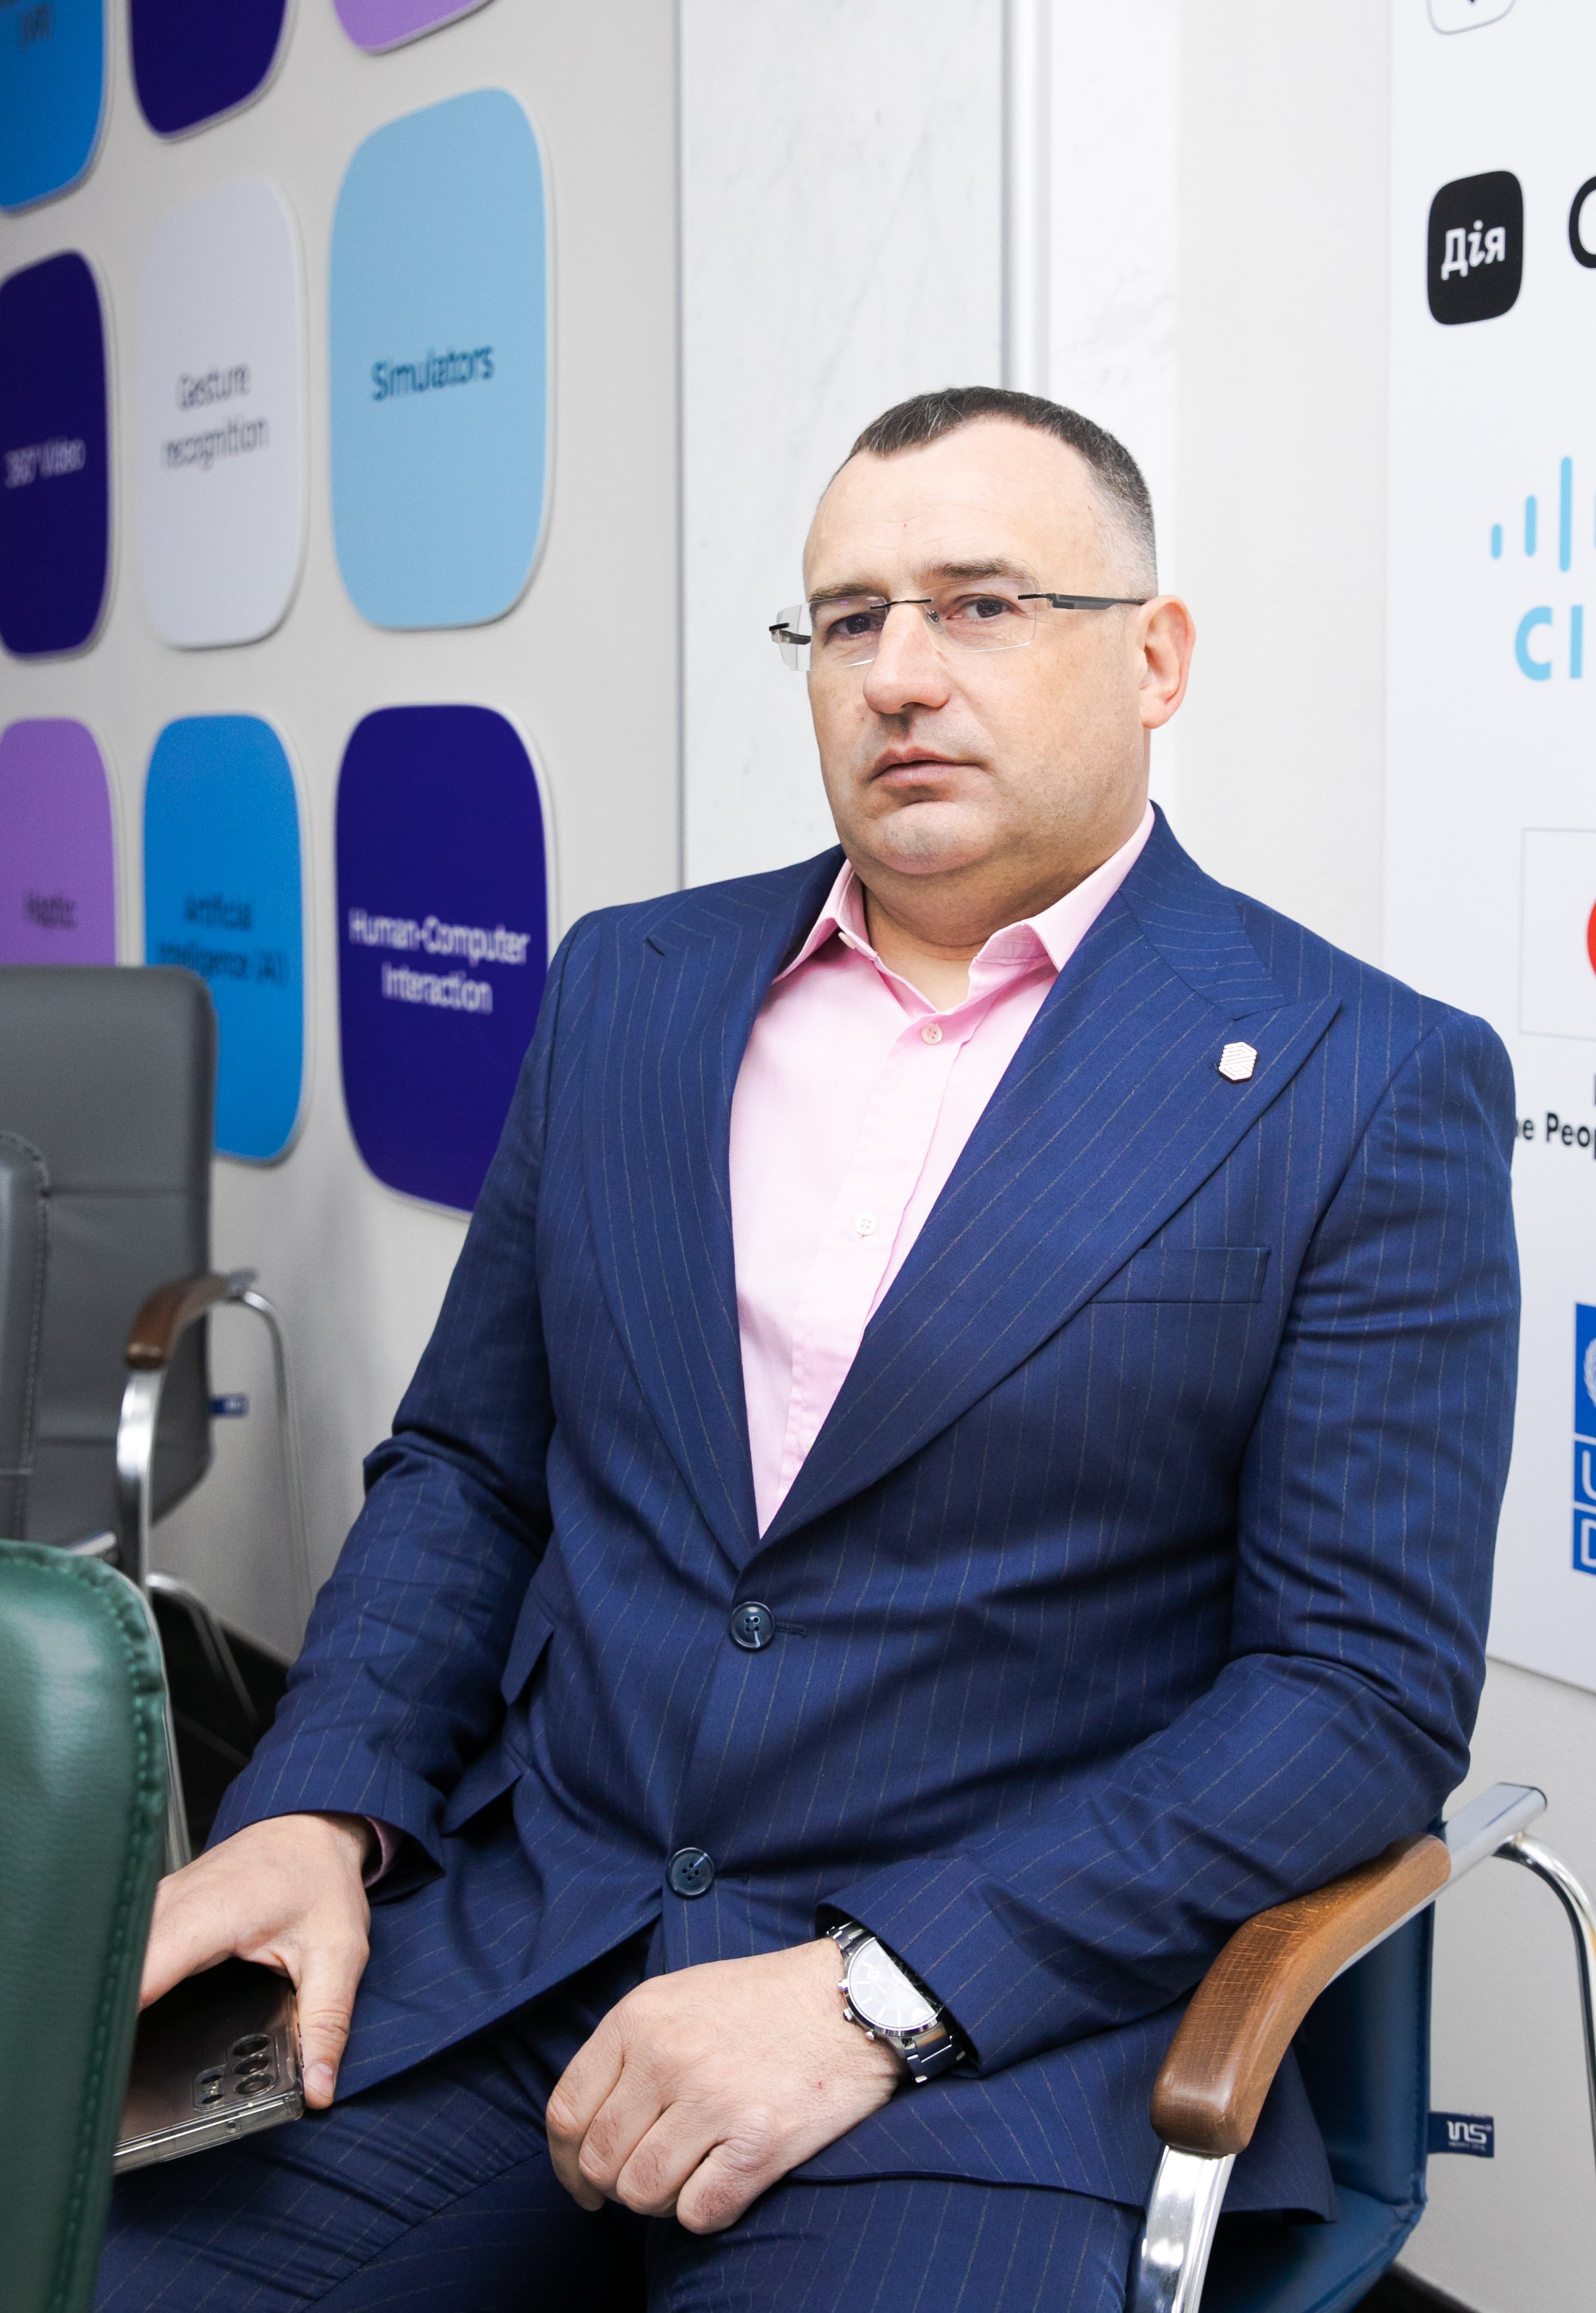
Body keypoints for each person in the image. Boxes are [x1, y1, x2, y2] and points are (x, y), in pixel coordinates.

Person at [98, 387, 1519, 2313]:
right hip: (526, 1944)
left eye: (983, 604)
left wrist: (878, 1993)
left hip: (983, 2044)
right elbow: (472, 1473)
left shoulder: (1363, 1081)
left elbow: (1354, 1689)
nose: (900, 674)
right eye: (849, 618)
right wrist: (313, 1800)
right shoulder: (632, 987)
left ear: (1154, 657)